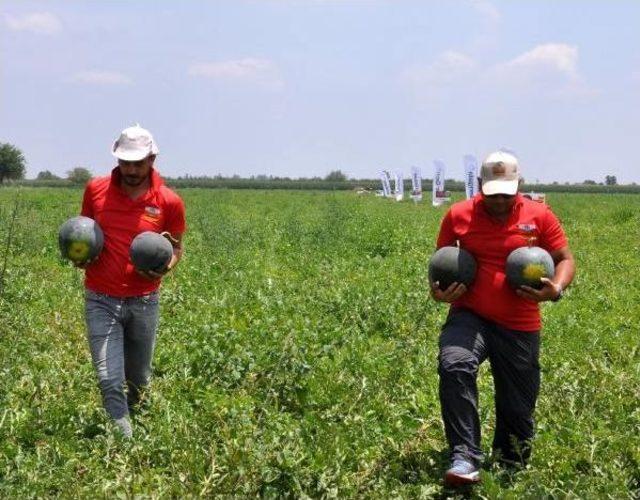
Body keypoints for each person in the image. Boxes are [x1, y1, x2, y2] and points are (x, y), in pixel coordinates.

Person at [430, 151, 575, 486]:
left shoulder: (539, 215)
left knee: (517, 409)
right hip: (469, 315)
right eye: (491, 192)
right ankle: (465, 456)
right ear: (480, 185)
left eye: (506, 193)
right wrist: (437, 292)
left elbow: (564, 258)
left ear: (518, 184)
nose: (498, 199)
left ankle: (510, 462)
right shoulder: (458, 214)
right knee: (454, 364)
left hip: (519, 322)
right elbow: (440, 262)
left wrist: (556, 288)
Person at [77, 124, 186, 438]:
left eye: (139, 163)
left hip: (144, 300)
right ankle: (127, 445)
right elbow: (86, 234)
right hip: (101, 297)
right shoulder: (95, 190)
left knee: (138, 377)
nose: (132, 169)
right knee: (109, 377)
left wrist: (166, 265)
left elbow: (176, 247)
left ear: (152, 159)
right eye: (126, 162)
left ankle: (139, 410)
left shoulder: (169, 201)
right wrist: (80, 255)